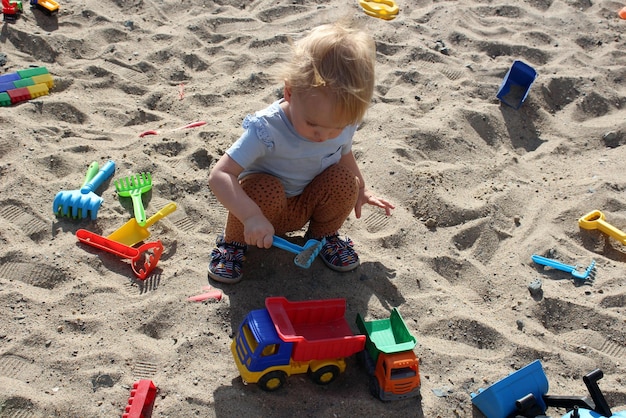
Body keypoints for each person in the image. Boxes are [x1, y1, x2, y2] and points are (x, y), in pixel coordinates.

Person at [207, 20, 395, 284]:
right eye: (313, 125)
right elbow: (220, 174)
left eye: (336, 128)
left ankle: (323, 237)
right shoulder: (268, 128)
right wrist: (251, 216)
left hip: (307, 201)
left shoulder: (340, 123)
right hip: (262, 209)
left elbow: (344, 154)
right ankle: (233, 245)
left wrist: (362, 189)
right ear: (290, 92)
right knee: (264, 187)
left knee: (344, 181)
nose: (324, 137)